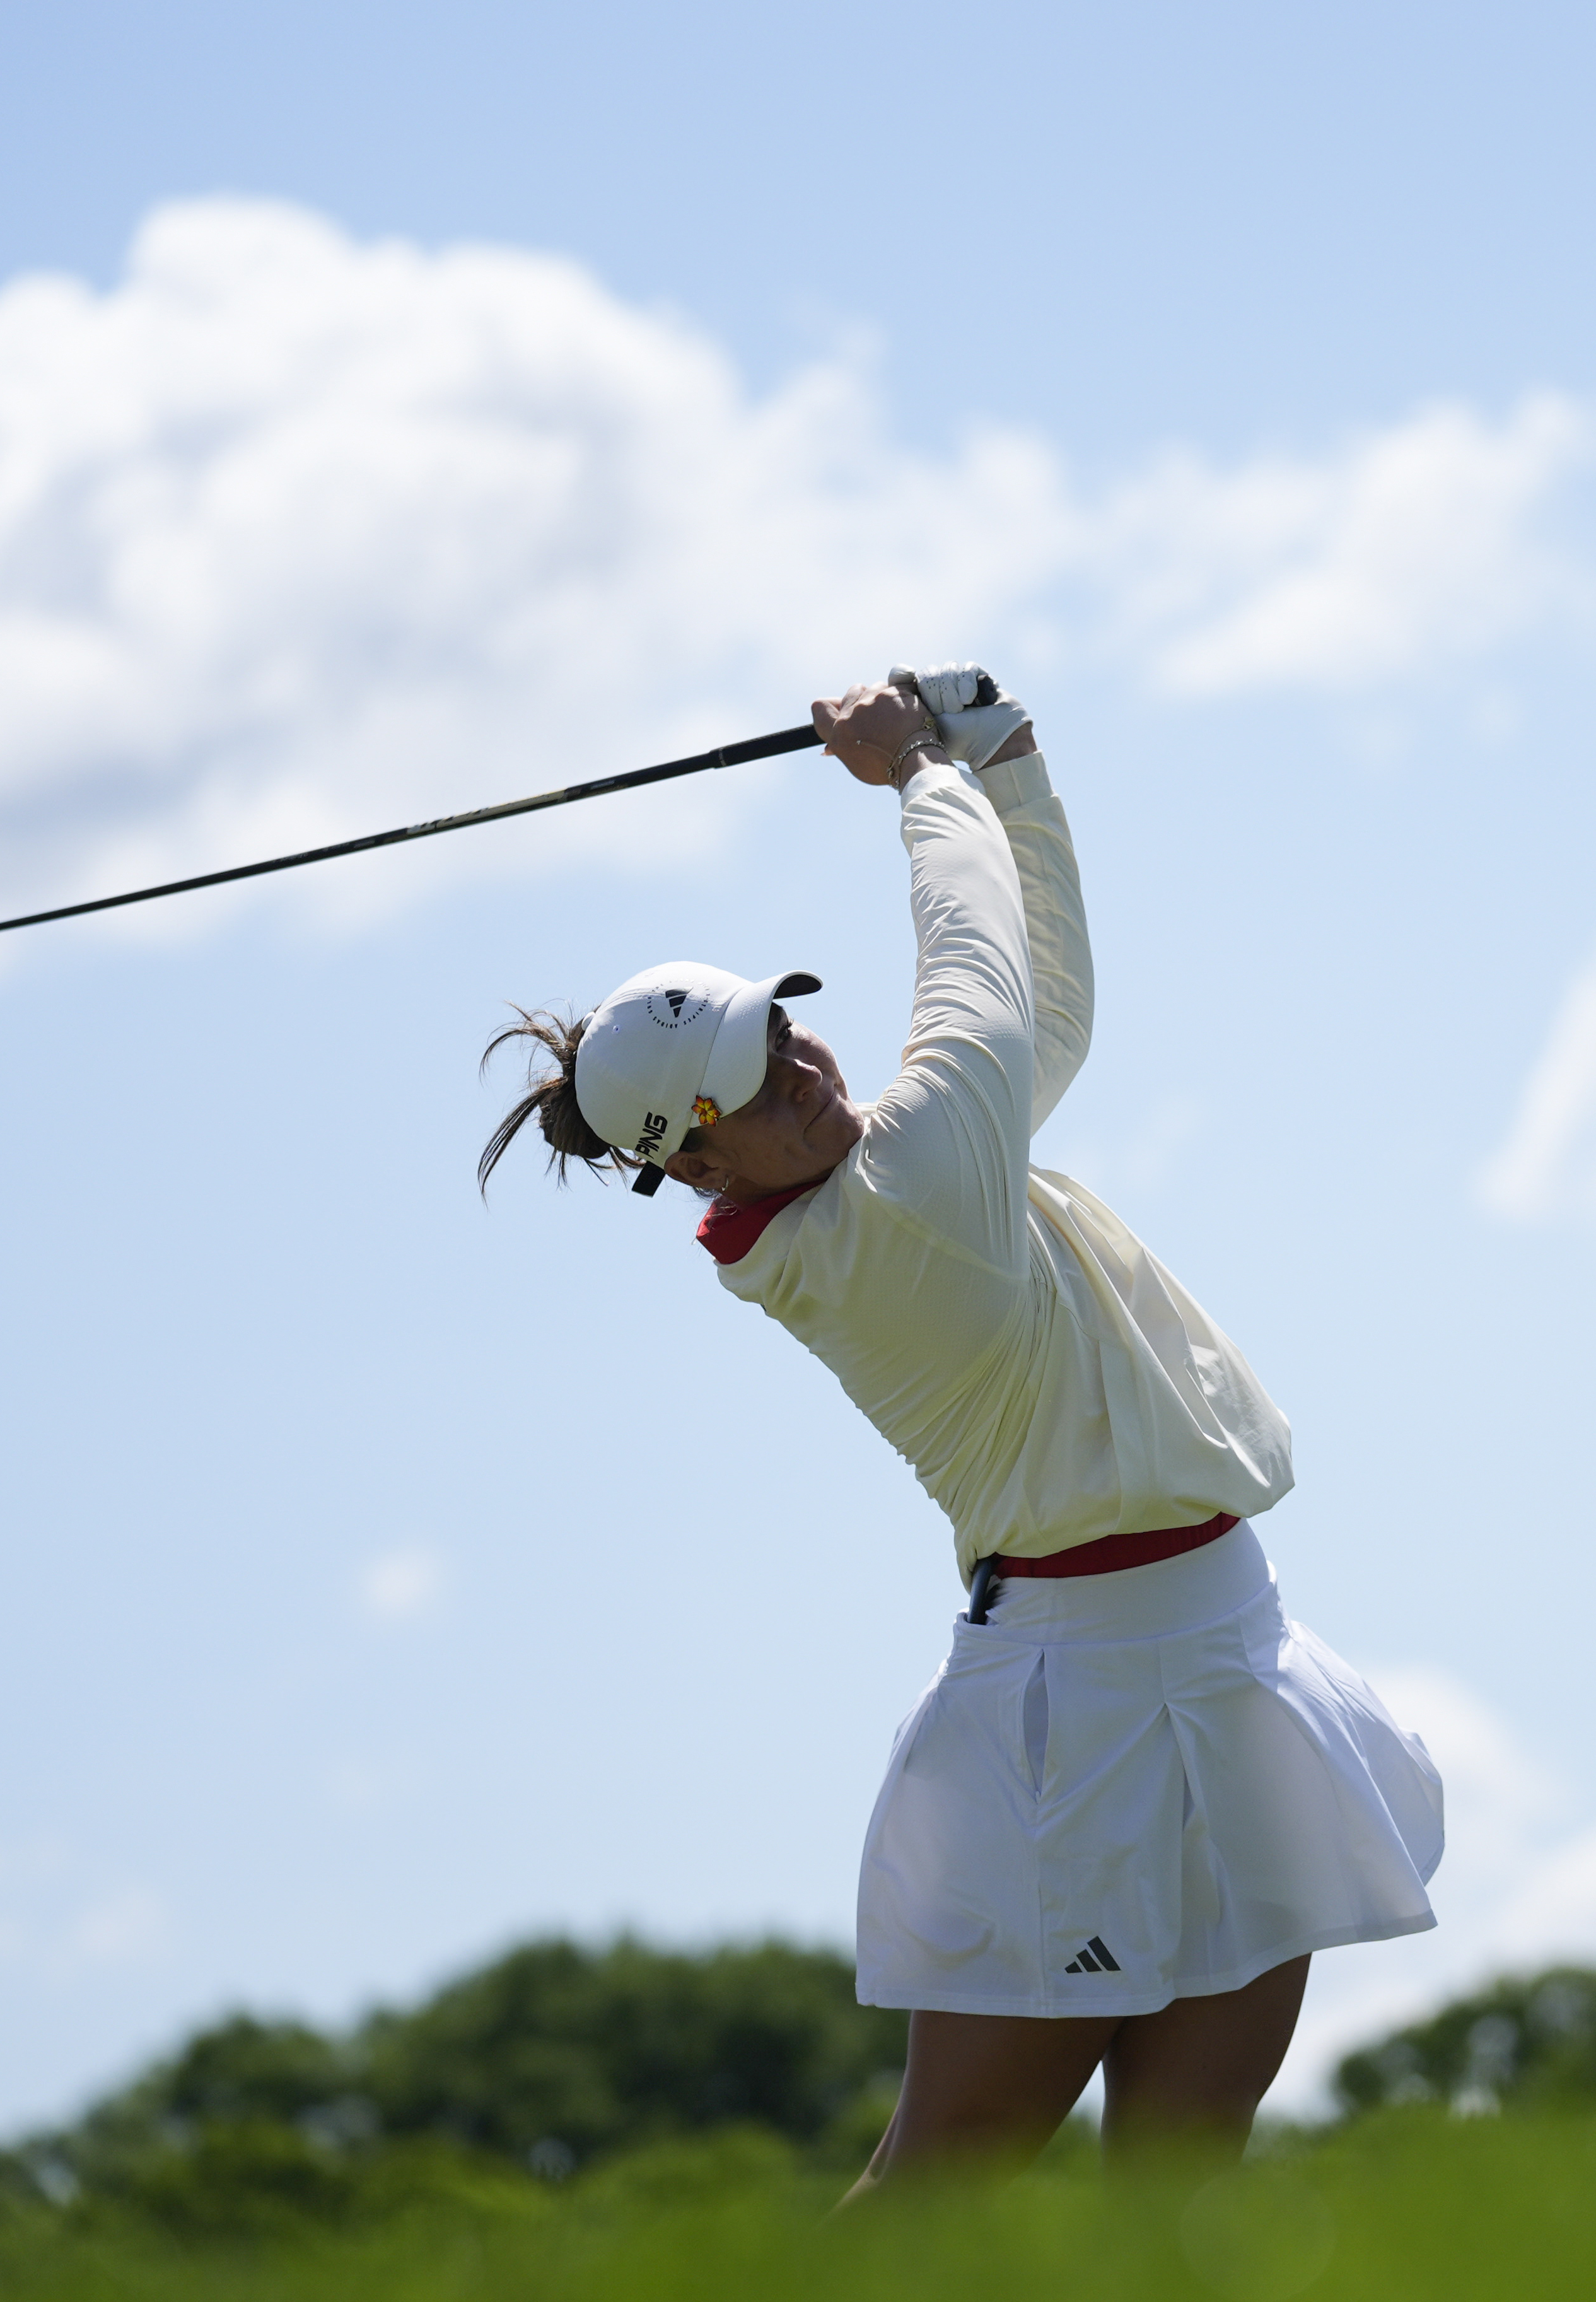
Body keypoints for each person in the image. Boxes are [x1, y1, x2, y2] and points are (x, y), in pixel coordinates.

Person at [481, 667, 1442, 2190]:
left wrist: (1007, 760)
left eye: (779, 1031)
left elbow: (1042, 1002)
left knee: (1180, 2182)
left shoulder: (921, 1158)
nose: (801, 1066)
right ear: (700, 1160)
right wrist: (921, 774)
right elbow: (976, 985)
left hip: (1228, 1647)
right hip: (1079, 1709)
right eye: (750, 1085)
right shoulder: (899, 1206)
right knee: (942, 2182)